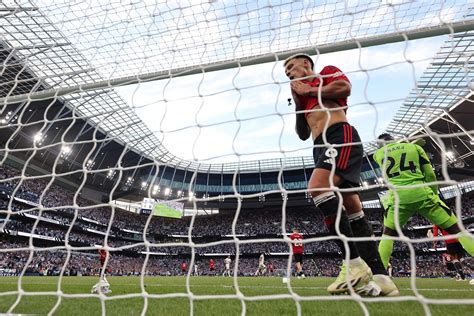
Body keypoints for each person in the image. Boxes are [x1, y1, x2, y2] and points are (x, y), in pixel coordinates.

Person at [284, 54, 396, 296]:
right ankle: (381, 278)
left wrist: (308, 90)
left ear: (306, 64)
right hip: (319, 146)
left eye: (291, 67)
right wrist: (297, 101)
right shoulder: (304, 96)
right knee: (352, 206)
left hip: (339, 135)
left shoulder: (326, 74)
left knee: (318, 188)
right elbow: (303, 133)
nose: (289, 73)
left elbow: (345, 87)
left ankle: (354, 265)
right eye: (286, 72)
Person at [374, 133, 474, 276]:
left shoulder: (377, 155)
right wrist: (433, 194)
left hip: (397, 198)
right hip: (422, 194)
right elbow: (430, 175)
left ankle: (379, 277)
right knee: (458, 231)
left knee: (387, 236)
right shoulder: (414, 148)